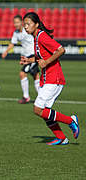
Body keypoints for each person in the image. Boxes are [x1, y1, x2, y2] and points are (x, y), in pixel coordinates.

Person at [22, 12, 79, 145]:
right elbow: (41, 57)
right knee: (44, 111)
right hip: (47, 79)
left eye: (28, 24)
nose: (25, 27)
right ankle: (61, 137)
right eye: (24, 24)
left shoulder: (42, 36)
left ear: (36, 24)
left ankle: (71, 121)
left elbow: (61, 50)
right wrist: (29, 60)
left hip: (54, 79)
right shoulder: (36, 37)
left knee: (38, 109)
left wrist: (46, 62)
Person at [2, 15, 40, 104]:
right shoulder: (16, 33)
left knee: (22, 73)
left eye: (17, 22)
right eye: (14, 22)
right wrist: (6, 51)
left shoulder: (27, 30)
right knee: (36, 75)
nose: (16, 24)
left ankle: (26, 97)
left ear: (22, 23)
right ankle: (41, 97)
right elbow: (12, 43)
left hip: (32, 55)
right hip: (26, 56)